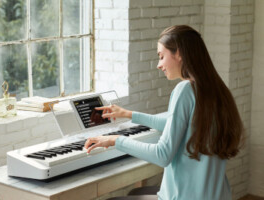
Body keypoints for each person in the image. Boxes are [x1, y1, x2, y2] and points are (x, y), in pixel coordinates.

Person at [84, 25, 244, 200]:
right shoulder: (216, 90)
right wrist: (130, 115)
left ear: (179, 53)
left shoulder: (185, 90)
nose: (159, 65)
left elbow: (162, 156)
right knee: (136, 193)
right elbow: (177, 123)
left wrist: (115, 140)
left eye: (161, 56)